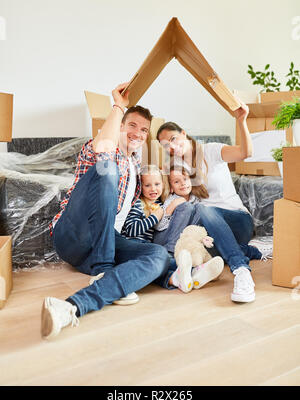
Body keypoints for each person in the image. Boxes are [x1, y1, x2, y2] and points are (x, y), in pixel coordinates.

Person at [41, 83, 170, 340]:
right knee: (106, 167)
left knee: (159, 256)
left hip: (106, 240)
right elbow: (104, 150)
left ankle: (73, 305)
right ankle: (104, 266)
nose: (137, 133)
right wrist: (118, 106)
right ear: (120, 126)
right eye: (132, 125)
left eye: (143, 130)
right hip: (72, 235)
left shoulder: (135, 165)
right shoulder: (98, 146)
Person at [156, 102, 272, 304]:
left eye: (173, 139)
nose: (172, 147)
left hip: (236, 220)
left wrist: (241, 120)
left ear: (183, 133)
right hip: (210, 231)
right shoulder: (176, 167)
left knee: (203, 208)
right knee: (190, 244)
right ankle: (206, 267)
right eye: (166, 146)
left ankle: (241, 270)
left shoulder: (210, 151)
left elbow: (245, 153)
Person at [122, 164, 224, 293]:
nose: (153, 189)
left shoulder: (159, 203)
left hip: (149, 247)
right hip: (133, 246)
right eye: (147, 185)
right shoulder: (137, 203)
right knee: (157, 261)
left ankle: (178, 278)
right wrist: (154, 217)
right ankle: (196, 269)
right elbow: (131, 230)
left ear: (163, 185)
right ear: (140, 187)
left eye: (157, 184)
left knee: (154, 267)